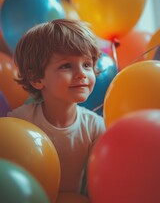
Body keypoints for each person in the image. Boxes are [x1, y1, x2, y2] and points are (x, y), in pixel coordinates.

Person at [7, 19, 106, 195]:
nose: (82, 74)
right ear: (36, 79)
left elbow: (101, 183)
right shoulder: (18, 122)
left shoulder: (95, 127)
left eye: (86, 64)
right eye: (66, 66)